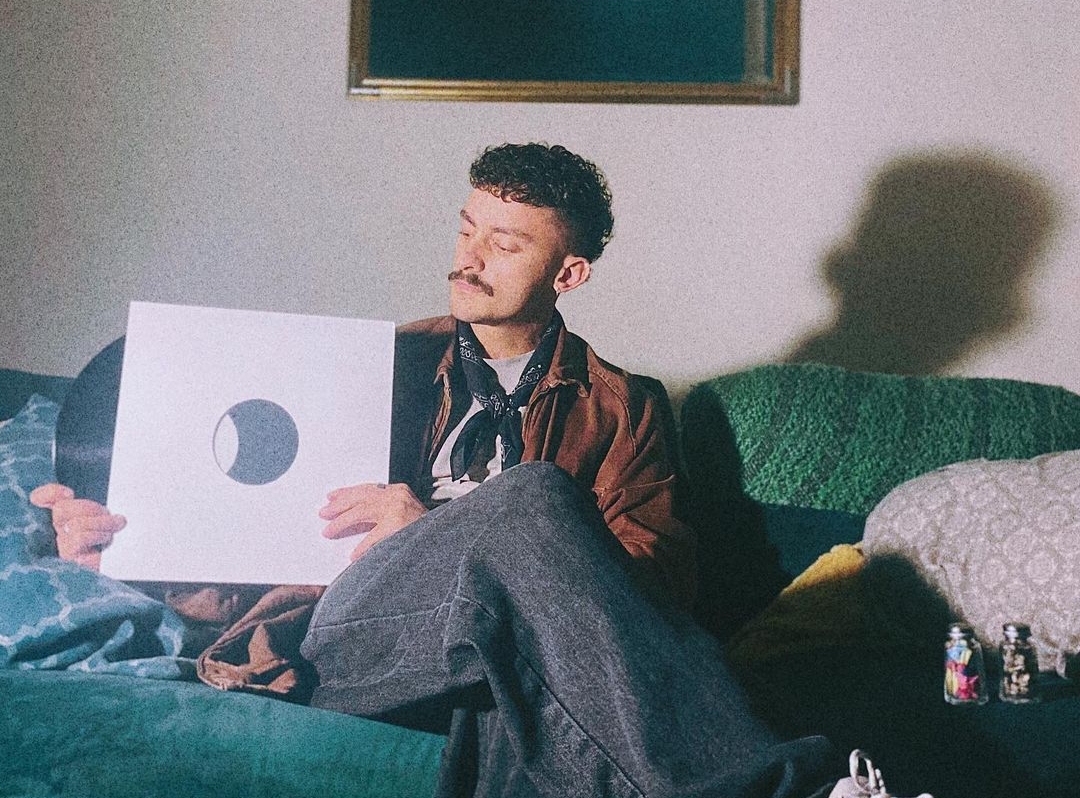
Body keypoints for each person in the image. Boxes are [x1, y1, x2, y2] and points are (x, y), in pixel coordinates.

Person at [32, 143, 927, 798]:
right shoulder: (374, 364)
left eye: (505, 243)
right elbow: (262, 548)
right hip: (350, 639)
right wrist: (127, 551)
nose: (468, 257)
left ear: (569, 271)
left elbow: (657, 597)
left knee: (515, 691)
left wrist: (452, 535)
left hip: (494, 658)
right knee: (532, 495)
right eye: (467, 229)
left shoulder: (625, 407)